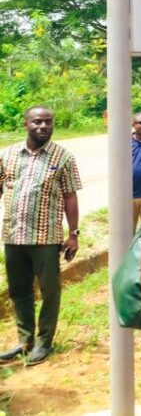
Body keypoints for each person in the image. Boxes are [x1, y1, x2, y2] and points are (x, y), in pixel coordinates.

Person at [0, 106, 81, 366]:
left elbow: (70, 195)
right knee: (19, 290)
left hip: (46, 237)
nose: (43, 126)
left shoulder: (63, 157)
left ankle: (44, 342)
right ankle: (25, 341)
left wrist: (73, 234)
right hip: (13, 235)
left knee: (49, 291)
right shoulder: (8, 154)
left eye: (48, 122)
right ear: (26, 124)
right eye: (37, 122)